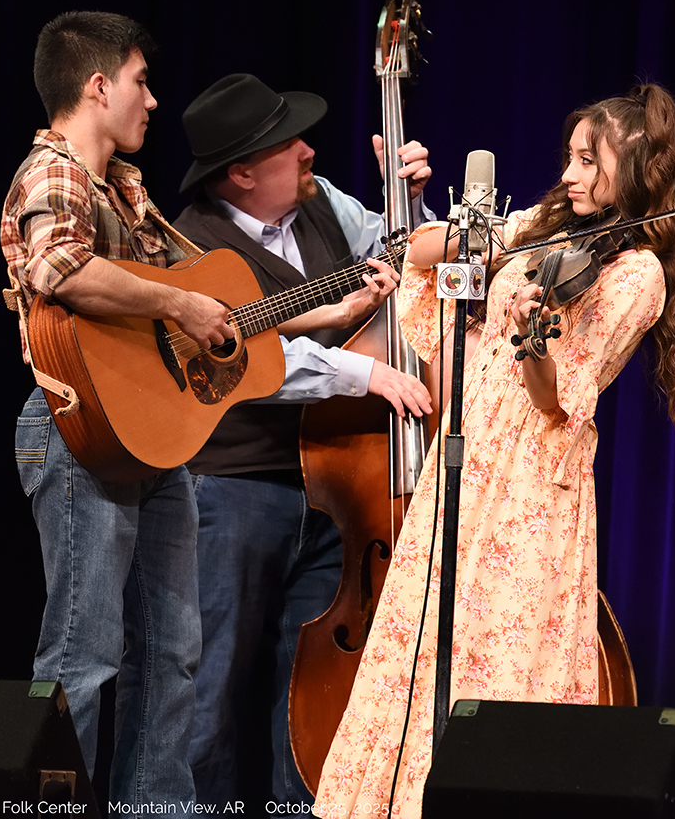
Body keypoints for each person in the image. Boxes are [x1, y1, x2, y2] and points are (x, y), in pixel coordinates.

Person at [315, 83, 675, 818]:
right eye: (570, 157)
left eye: (589, 162)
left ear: (634, 169)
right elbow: (420, 254)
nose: (570, 175)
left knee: (500, 653)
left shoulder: (638, 275)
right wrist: (474, 233)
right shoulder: (543, 226)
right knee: (425, 641)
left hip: (532, 478)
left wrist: (533, 339)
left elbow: (557, 398)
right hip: (470, 451)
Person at [171, 73, 435, 806]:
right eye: (289, 144)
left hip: (332, 495)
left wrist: (409, 204)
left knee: (315, 689)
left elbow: (402, 256)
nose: (309, 150)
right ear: (242, 172)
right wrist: (364, 373)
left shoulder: (321, 202)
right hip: (234, 491)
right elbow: (247, 360)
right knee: (210, 693)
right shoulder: (192, 247)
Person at [1, 11, 236, 806]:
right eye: (142, 82)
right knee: (83, 653)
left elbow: (197, 298)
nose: (153, 100)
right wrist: (179, 304)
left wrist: (329, 306)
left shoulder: (125, 190)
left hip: (146, 432)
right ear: (99, 87)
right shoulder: (55, 172)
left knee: (172, 653)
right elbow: (60, 268)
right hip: (79, 431)